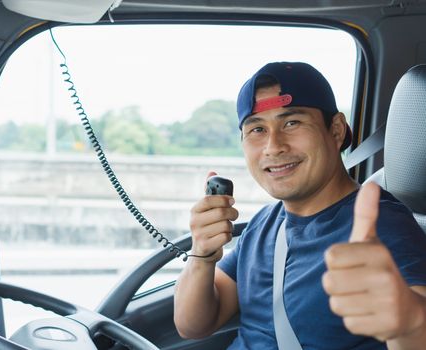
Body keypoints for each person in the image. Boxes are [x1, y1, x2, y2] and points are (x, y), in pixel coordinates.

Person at [173, 62, 426, 349]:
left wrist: (411, 323)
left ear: (336, 130)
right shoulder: (264, 223)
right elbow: (192, 325)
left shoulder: (382, 224)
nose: (273, 146)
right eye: (257, 129)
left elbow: (413, 322)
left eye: (292, 123)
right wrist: (202, 256)